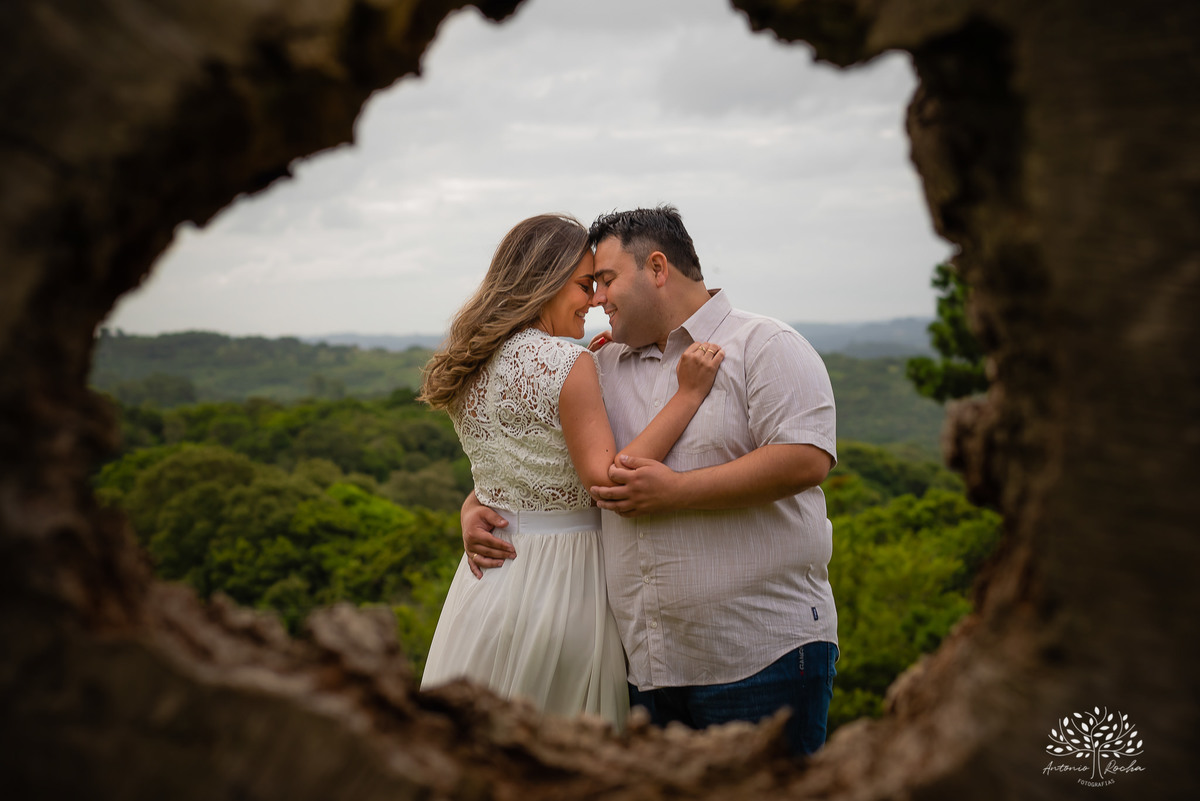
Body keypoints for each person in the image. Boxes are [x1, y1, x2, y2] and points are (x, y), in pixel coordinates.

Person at [463, 205, 839, 756]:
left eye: (606, 280)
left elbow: (806, 459)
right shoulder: (599, 364)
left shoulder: (765, 345)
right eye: (590, 284)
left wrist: (678, 492)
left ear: (657, 268)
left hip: (760, 656)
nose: (597, 299)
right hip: (641, 668)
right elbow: (553, 463)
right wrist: (475, 505)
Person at [418, 213, 725, 730]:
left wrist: (472, 506)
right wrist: (687, 394)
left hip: (486, 586)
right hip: (564, 585)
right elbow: (606, 481)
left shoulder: (475, 363)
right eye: (586, 285)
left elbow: (509, 471)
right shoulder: (566, 362)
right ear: (547, 281)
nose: (596, 301)